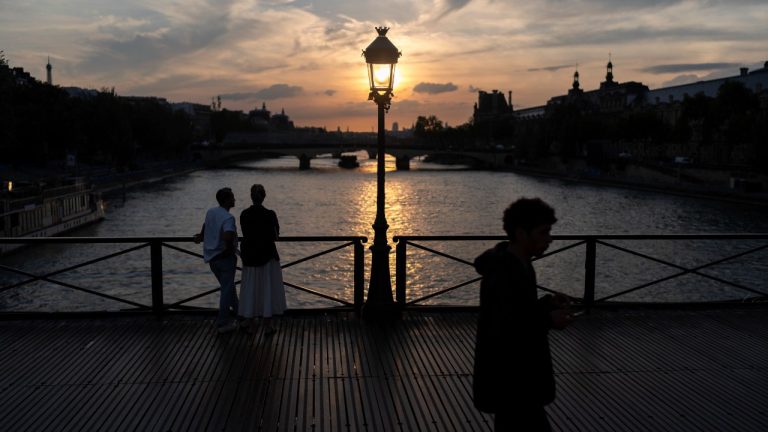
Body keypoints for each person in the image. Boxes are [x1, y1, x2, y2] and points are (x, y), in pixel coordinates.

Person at [472, 197, 573, 431]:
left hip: (515, 381)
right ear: (521, 233)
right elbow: (505, 327)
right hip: (513, 382)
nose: (549, 239)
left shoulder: (517, 263)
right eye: (543, 233)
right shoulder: (505, 271)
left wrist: (548, 304)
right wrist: (549, 319)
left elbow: (516, 312)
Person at [239, 184, 286, 335]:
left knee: (251, 288)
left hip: (250, 256)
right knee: (267, 289)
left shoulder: (244, 214)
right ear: (264, 197)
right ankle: (267, 325)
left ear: (251, 197)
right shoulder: (270, 214)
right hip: (267, 255)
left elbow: (245, 232)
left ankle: (250, 322)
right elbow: (276, 236)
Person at [193, 187, 239, 334]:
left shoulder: (211, 212)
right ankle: (222, 323)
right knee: (226, 290)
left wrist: (201, 236)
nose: (234, 200)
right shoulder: (228, 218)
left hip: (212, 259)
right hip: (225, 258)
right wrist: (230, 249)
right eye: (232, 197)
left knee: (229, 288)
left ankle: (241, 315)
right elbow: (227, 236)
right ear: (226, 200)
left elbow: (206, 225)